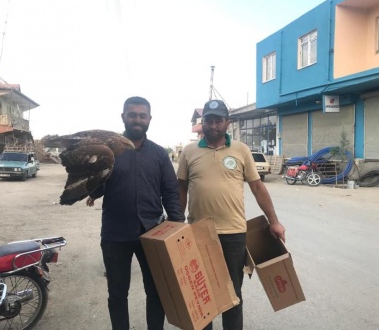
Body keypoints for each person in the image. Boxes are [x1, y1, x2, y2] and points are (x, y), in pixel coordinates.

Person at [177, 99, 286, 330]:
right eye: (208, 120)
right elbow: (181, 189)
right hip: (198, 233)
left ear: (227, 123)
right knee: (201, 293)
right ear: (202, 122)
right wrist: (177, 224)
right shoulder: (189, 151)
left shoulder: (241, 150)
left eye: (218, 120)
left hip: (234, 234)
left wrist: (274, 222)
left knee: (232, 293)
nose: (213, 125)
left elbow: (258, 187)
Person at [86, 96, 185, 330]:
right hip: (115, 233)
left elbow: (170, 192)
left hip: (152, 233)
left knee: (157, 291)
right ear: (123, 117)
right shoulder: (108, 152)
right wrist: (90, 185)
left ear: (149, 119)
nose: (137, 120)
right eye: (132, 115)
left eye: (142, 116)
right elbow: (95, 185)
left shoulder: (160, 154)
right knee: (117, 293)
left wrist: (178, 227)